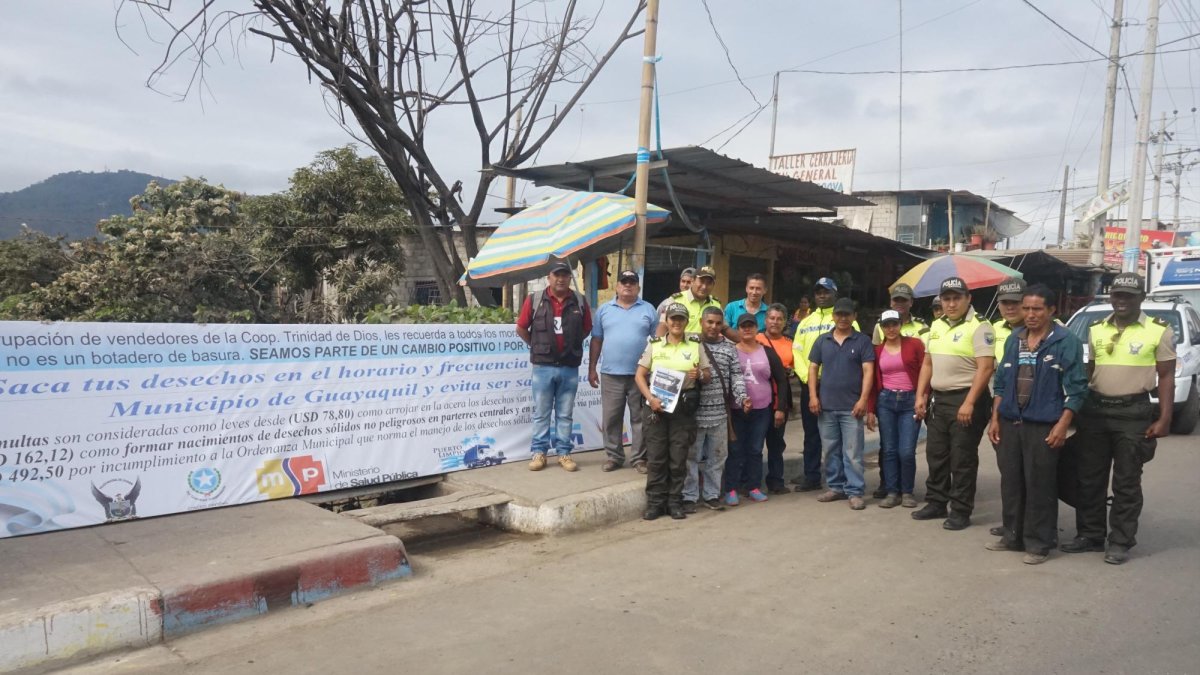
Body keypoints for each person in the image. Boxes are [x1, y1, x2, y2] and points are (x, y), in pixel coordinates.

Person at [1061, 272, 1175, 565]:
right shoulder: (1097, 329)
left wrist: (1164, 418)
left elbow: (1166, 377)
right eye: (1117, 295)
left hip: (1133, 413)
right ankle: (1090, 535)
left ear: (1141, 298)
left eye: (1129, 295)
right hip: (1096, 411)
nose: (1121, 300)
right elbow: (1091, 371)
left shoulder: (1159, 331)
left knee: (1126, 481)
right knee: (1090, 478)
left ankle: (1121, 541)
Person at [986, 284, 1087, 565]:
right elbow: (1002, 383)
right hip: (1010, 422)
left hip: (1043, 424)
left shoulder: (1065, 341)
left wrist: (1062, 425)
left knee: (1040, 484)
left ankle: (1039, 543)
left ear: (1051, 310)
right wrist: (995, 418)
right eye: (1026, 308)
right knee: (1012, 482)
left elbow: (1077, 389)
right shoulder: (1014, 339)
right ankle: (1012, 536)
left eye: (1036, 309)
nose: (1030, 314)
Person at [913, 276, 995, 530]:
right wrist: (920, 395)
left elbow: (985, 368)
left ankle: (960, 510)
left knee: (962, 459)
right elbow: (928, 363)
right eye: (946, 299)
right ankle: (936, 502)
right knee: (936, 455)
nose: (950, 304)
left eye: (956, 298)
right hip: (939, 399)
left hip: (966, 398)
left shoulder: (980, 327)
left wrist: (969, 402)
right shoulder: (936, 326)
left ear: (968, 299)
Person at [636, 303, 711, 520]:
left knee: (678, 458)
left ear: (687, 322)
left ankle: (674, 502)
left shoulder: (695, 345)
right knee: (657, 457)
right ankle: (655, 503)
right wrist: (650, 399)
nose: (677, 323)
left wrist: (700, 375)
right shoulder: (655, 345)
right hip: (657, 407)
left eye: (681, 319)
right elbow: (639, 375)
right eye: (673, 319)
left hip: (683, 408)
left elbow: (708, 376)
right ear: (667, 321)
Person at [516, 260, 592, 472]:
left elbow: (586, 329)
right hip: (543, 367)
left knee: (565, 413)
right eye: (556, 275)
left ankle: (564, 454)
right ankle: (539, 453)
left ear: (569, 278)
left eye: (565, 275)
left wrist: (569, 346)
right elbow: (521, 328)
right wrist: (537, 345)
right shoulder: (535, 300)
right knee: (542, 412)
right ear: (549, 277)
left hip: (569, 367)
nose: (560, 279)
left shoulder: (579, 300)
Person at [790, 277, 859, 491]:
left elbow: (852, 353)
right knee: (811, 433)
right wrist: (806, 377)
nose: (821, 295)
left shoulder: (845, 319)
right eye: (818, 292)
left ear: (835, 294)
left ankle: (843, 480)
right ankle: (812, 477)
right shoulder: (805, 322)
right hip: (809, 385)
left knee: (839, 436)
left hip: (836, 387)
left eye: (826, 292)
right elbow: (797, 351)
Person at [588, 269, 659, 474]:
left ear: (638, 287)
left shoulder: (648, 309)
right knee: (611, 418)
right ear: (617, 286)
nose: (628, 285)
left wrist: (653, 369)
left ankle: (638, 458)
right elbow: (597, 340)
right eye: (624, 282)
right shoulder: (604, 310)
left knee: (640, 418)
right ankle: (614, 457)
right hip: (611, 374)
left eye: (632, 282)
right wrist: (592, 368)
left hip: (640, 375)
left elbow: (656, 342)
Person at [808, 298, 875, 510]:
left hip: (851, 407)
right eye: (839, 314)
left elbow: (868, 371)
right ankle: (835, 487)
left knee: (853, 452)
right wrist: (812, 396)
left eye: (847, 314)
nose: (843, 318)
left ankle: (854, 491)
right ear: (833, 316)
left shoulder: (862, 341)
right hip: (826, 406)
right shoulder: (822, 340)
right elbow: (812, 368)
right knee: (830, 450)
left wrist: (864, 399)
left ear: (854, 316)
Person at [683, 307, 749, 512]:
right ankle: (689, 496)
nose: (713, 327)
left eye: (718, 323)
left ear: (722, 325)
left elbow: (737, 376)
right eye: (709, 322)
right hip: (693, 413)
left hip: (720, 414)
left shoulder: (730, 348)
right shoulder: (690, 344)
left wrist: (742, 397)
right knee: (690, 458)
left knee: (717, 457)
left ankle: (711, 495)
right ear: (702, 322)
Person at [869, 282, 927, 499]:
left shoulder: (915, 344)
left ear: (900, 324)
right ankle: (892, 491)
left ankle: (907, 491)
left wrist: (922, 397)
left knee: (906, 451)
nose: (891, 328)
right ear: (881, 328)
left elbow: (924, 372)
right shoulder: (878, 350)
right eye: (887, 325)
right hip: (886, 400)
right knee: (889, 450)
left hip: (909, 400)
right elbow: (874, 379)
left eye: (894, 324)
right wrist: (870, 408)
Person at [724, 313, 788, 506]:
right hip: (736, 409)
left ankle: (753, 486)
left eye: (751, 325)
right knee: (735, 449)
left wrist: (780, 408)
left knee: (755, 448)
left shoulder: (767, 352)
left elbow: (782, 380)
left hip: (762, 409)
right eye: (743, 326)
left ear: (756, 327)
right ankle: (732, 488)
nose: (747, 329)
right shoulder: (730, 351)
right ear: (738, 328)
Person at [757, 303, 795, 494]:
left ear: (784, 322)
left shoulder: (790, 343)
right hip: (758, 397)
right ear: (765, 320)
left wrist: (791, 371)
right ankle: (750, 482)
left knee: (776, 442)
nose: (775, 322)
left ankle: (776, 481)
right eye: (772, 318)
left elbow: (796, 368)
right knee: (754, 442)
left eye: (779, 319)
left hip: (780, 397)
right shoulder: (756, 339)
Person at [658, 266, 721, 337]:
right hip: (681, 346)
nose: (704, 287)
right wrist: (659, 346)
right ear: (693, 281)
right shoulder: (676, 300)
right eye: (701, 281)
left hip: (707, 346)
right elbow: (663, 324)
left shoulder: (716, 304)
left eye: (709, 283)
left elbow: (724, 328)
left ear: (713, 285)